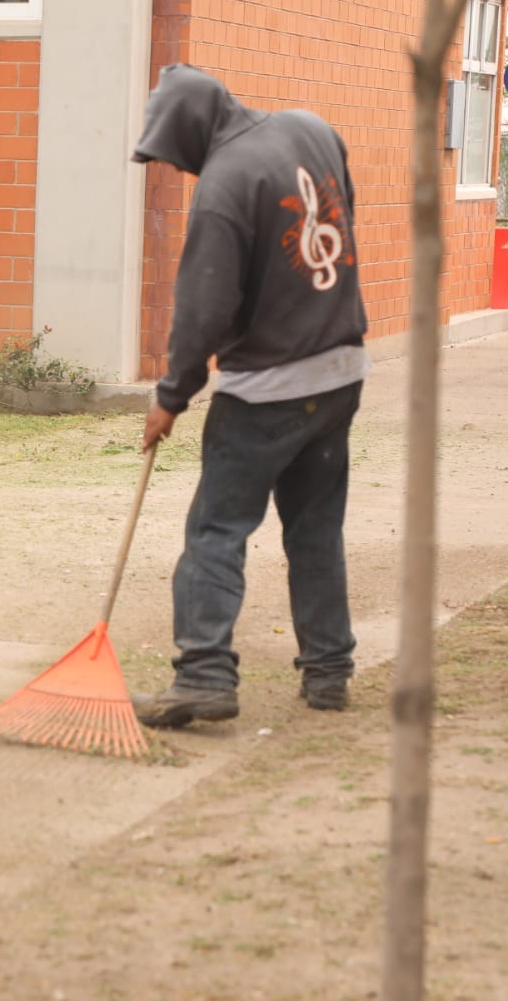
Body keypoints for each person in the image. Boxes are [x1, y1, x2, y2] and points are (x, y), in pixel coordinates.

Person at [128, 63, 369, 729]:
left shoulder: (223, 186)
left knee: (215, 530)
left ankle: (203, 676)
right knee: (315, 528)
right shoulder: (312, 128)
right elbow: (340, 213)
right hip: (342, 371)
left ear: (191, 130)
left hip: (266, 391)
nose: (180, 169)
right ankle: (328, 673)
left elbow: (201, 308)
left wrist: (170, 396)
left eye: (175, 155)